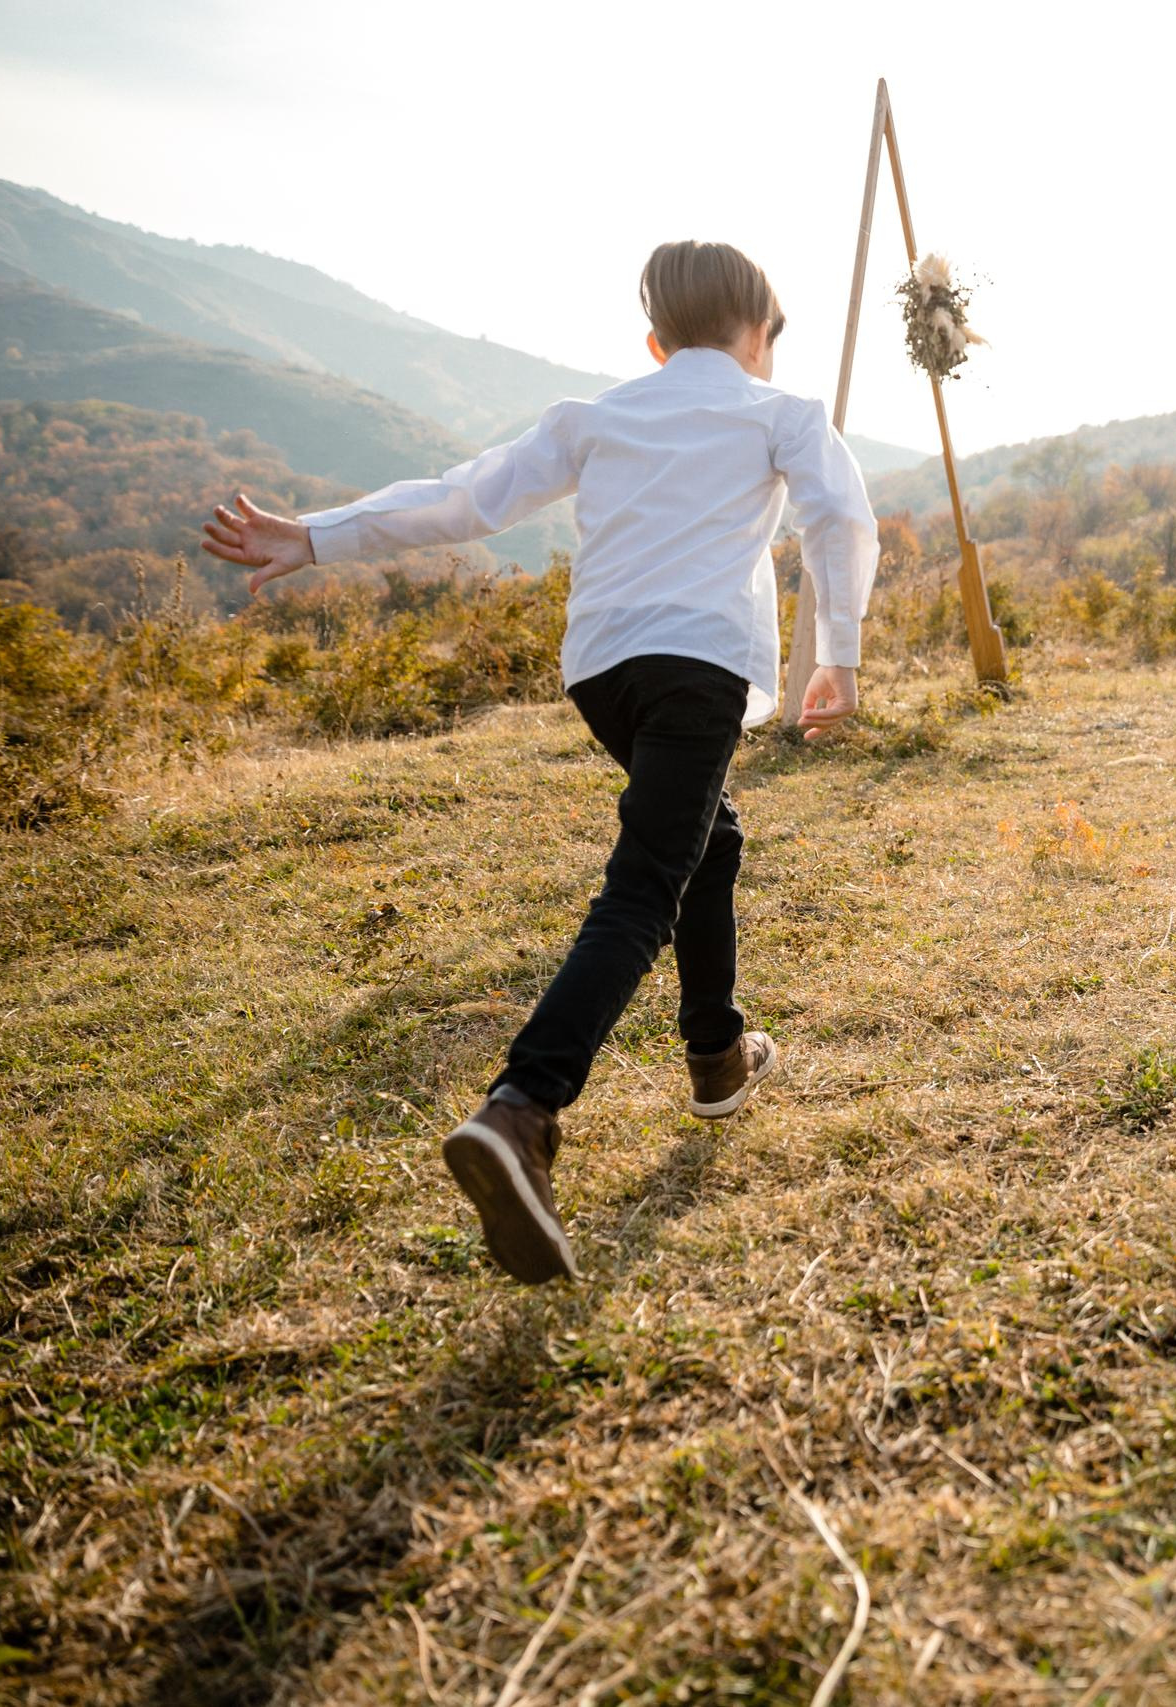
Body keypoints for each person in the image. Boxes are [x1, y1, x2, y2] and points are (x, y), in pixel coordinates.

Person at [200, 240, 878, 1285]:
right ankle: (524, 1107)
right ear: (759, 337)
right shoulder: (780, 413)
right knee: (647, 885)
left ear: (655, 343)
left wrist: (318, 535)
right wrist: (839, 653)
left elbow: (465, 497)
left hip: (604, 671)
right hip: (698, 667)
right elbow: (840, 516)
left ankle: (717, 1054)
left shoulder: (592, 416)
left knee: (708, 838)